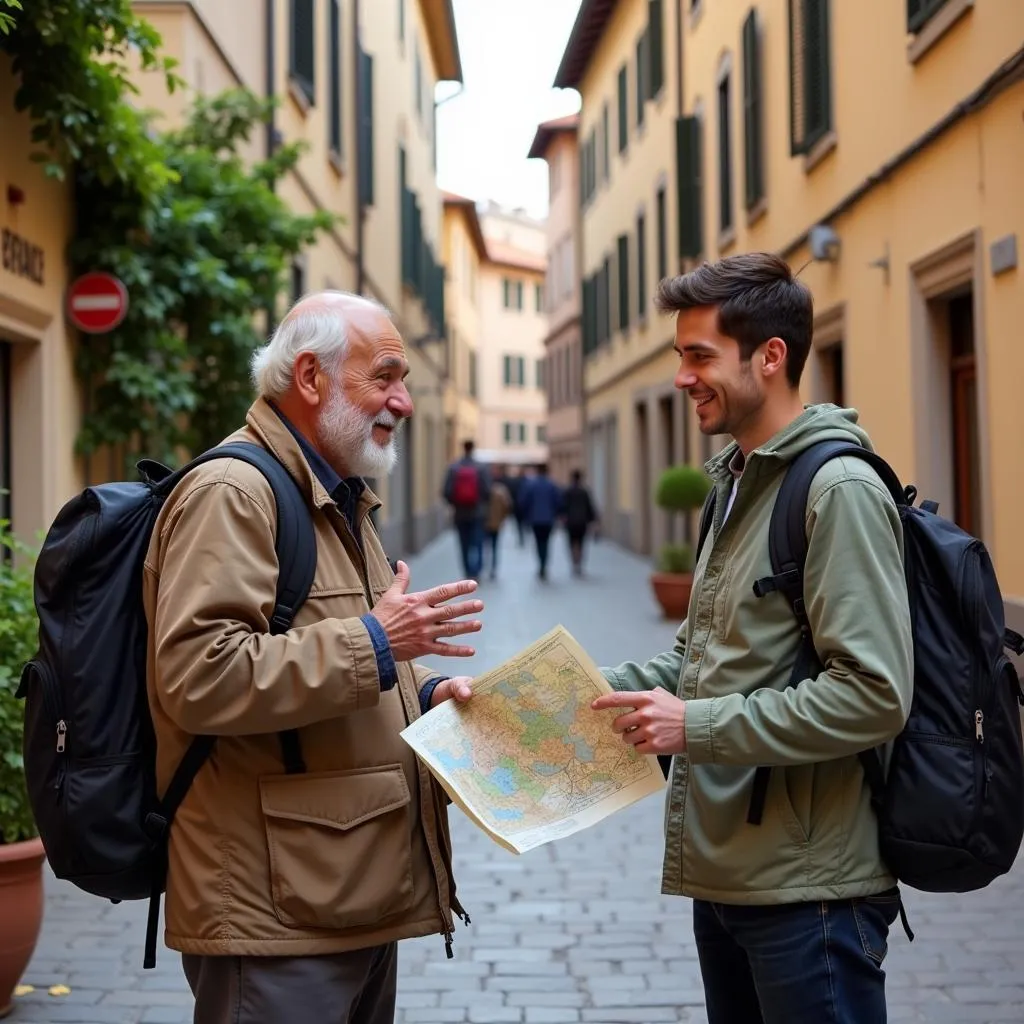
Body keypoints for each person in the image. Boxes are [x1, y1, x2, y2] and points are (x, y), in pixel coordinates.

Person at [589, 254, 913, 1024]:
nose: (681, 377)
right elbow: (706, 656)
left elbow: (874, 694)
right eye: (679, 356)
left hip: (811, 896)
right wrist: (573, 684)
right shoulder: (736, 482)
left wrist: (690, 726)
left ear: (770, 356)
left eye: (699, 356)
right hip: (731, 879)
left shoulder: (836, 491)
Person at [142, 291, 482, 1024]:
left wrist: (426, 692)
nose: (404, 402)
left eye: (407, 382)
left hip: (345, 885)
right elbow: (201, 676)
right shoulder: (234, 492)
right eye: (385, 377)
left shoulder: (336, 491)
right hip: (276, 905)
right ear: (309, 378)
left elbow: (336, 650)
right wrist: (381, 642)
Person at [442, 440, 490, 580]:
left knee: (464, 544)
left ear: (463, 448)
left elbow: (447, 491)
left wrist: (456, 503)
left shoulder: (454, 467)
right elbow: (487, 490)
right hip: (478, 512)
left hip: (460, 513)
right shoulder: (481, 467)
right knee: (478, 543)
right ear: (473, 448)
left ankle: (467, 571)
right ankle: (477, 571)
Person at [518, 463, 563, 581]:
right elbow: (558, 502)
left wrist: (526, 515)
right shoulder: (552, 485)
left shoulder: (531, 484)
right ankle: (544, 564)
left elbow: (523, 501)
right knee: (546, 542)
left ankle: (541, 564)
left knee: (538, 542)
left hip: (535, 519)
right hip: (548, 519)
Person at [561, 469, 598, 576]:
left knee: (572, 543)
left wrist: (562, 518)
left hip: (570, 522)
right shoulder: (584, 492)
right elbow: (590, 507)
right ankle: (579, 563)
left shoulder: (567, 491)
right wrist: (593, 520)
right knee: (581, 543)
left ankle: (574, 562)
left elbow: (563, 506)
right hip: (582, 521)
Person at [483, 467, 513, 580]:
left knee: (484, 546)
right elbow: (507, 506)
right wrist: (502, 518)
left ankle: (482, 567)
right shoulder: (501, 490)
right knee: (495, 546)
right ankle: (493, 568)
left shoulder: (484, 490)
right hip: (497, 523)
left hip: (485, 523)